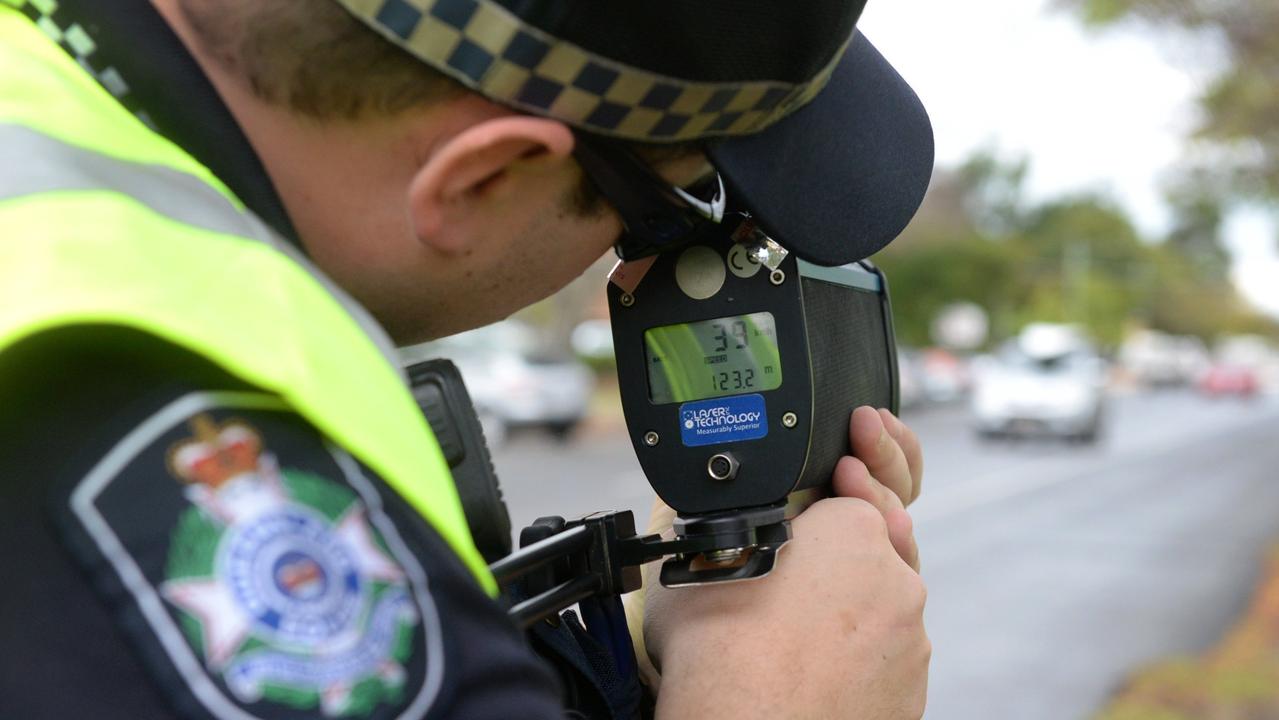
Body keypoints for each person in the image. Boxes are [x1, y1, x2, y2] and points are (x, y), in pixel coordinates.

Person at [0, 0, 934, 718]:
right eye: (667, 208)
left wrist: (647, 659)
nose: (650, 264)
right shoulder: (148, 428)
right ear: (482, 176)